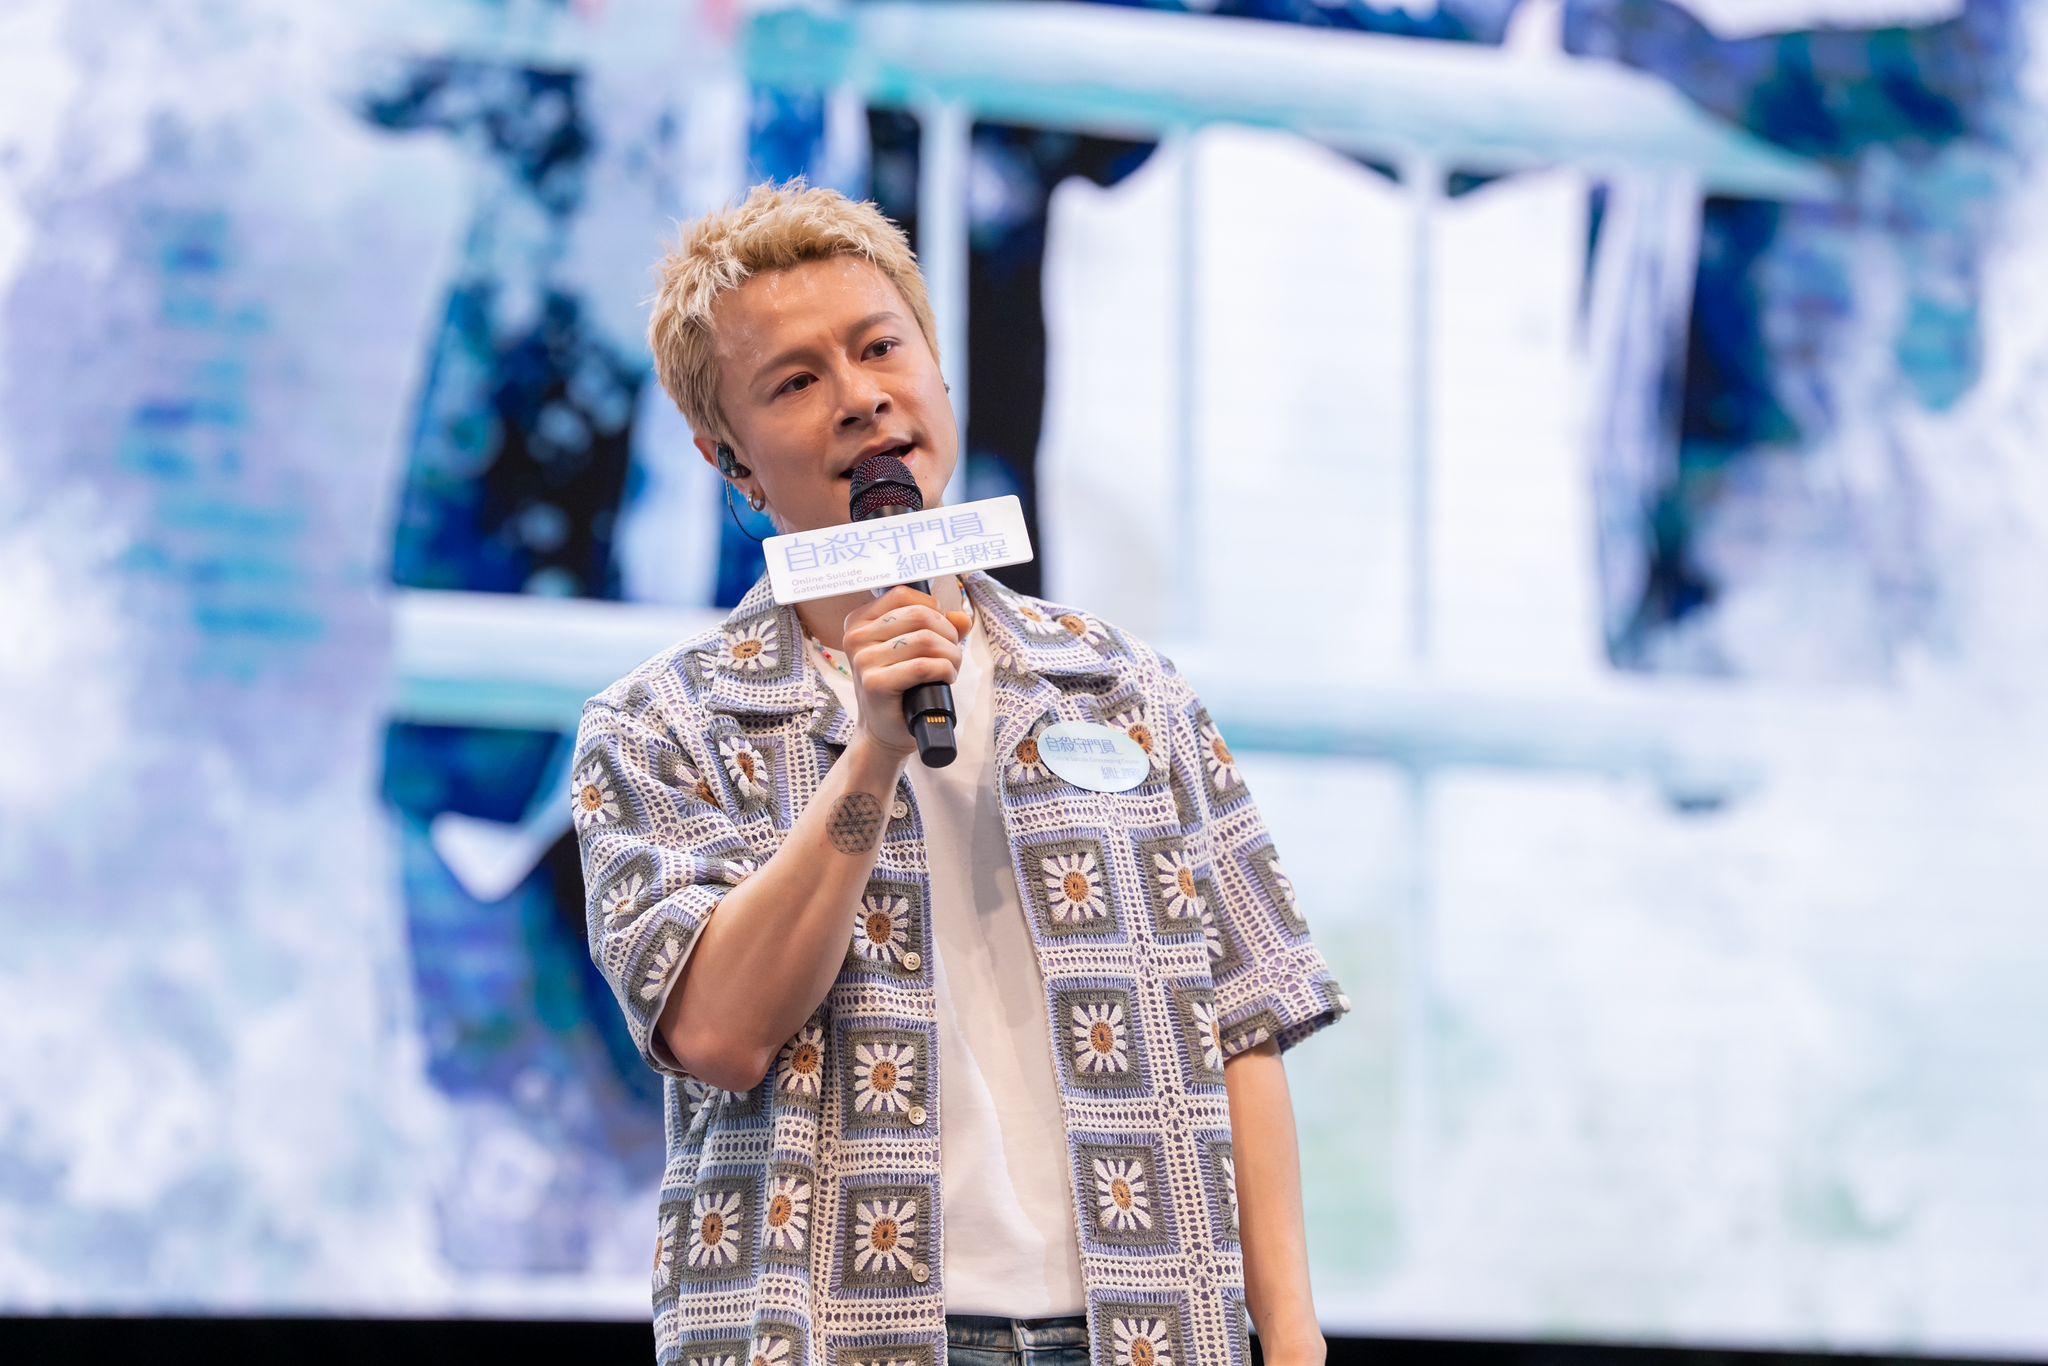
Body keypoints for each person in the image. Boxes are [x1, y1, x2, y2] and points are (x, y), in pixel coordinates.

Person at [572, 177, 1351, 1366]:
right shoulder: (658, 727)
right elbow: (721, 1031)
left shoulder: (1120, 687)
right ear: (729, 459)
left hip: (1141, 1330)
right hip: (836, 1332)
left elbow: (1241, 1023)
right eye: (795, 381)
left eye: (881, 348)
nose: (859, 397)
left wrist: (1290, 1339)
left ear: (936, 369)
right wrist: (872, 753)